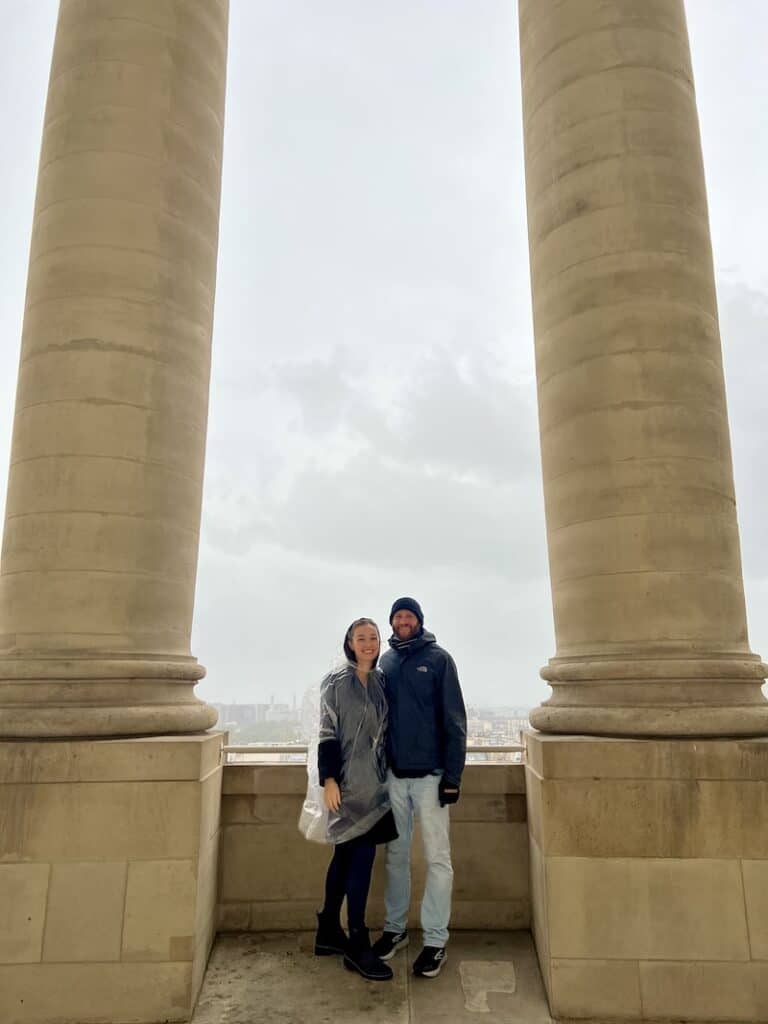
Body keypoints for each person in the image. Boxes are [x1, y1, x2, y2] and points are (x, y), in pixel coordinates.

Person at [372, 597, 466, 978]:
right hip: (395, 777)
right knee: (395, 856)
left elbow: (455, 720)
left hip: (431, 779)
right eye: (397, 616)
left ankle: (435, 940)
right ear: (391, 622)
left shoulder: (439, 659)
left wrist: (453, 778)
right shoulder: (386, 662)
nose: (403, 621)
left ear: (419, 620)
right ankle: (395, 930)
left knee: (437, 860)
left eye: (408, 615)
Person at [311, 617, 398, 981]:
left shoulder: (380, 681)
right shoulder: (336, 682)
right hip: (345, 788)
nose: (368, 643)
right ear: (349, 642)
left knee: (345, 856)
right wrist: (329, 780)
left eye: (373, 637)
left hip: (375, 787)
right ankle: (358, 942)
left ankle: (329, 929)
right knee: (359, 859)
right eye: (361, 637)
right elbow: (326, 731)